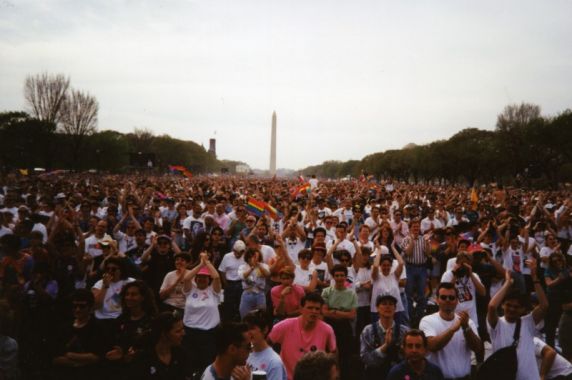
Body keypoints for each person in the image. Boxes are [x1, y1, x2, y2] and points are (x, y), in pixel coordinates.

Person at [486, 259, 548, 380]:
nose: (512, 309)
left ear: (523, 309)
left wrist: (534, 277)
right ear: (503, 305)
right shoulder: (497, 324)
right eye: (508, 305)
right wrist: (508, 283)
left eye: (516, 307)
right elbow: (492, 306)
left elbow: (544, 305)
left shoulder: (528, 322)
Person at [419, 282, 483, 380]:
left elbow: (478, 348)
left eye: (451, 297)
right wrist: (452, 330)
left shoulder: (468, 322)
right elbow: (432, 346)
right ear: (437, 300)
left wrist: (466, 328)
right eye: (443, 297)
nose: (447, 300)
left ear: (457, 301)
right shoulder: (427, 320)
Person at [268, 293, 337, 380]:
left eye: (317, 309)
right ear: (301, 309)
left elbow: (333, 352)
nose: (314, 311)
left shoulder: (327, 329)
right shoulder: (285, 325)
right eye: (310, 308)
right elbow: (267, 343)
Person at [182, 252, 222, 377]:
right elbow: (187, 278)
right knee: (190, 361)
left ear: (208, 279)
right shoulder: (190, 290)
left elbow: (216, 277)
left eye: (204, 277)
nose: (201, 279)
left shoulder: (213, 291)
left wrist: (207, 262)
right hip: (190, 332)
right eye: (199, 277)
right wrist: (200, 264)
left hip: (209, 334)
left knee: (207, 363)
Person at [52, 289, 104, 380]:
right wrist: (80, 362)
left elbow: (97, 357)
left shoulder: (97, 328)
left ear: (90, 307)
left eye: (82, 306)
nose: (77, 309)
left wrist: (70, 355)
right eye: (74, 306)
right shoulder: (64, 327)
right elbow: (56, 358)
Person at [127, 311, 190, 380]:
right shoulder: (143, 357)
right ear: (163, 334)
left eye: (183, 329)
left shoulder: (181, 353)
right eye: (178, 331)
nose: (183, 333)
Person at [360, 294, 409, 379]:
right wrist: (384, 347)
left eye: (391, 304)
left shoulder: (405, 331)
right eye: (384, 303)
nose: (387, 307)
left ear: (395, 308)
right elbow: (366, 359)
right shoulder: (368, 331)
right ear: (377, 308)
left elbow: (410, 359)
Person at [321, 264, 357, 380]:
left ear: (346, 277)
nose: (339, 278)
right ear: (333, 277)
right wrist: (342, 313)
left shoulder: (351, 293)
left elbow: (352, 315)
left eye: (342, 275)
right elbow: (324, 312)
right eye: (337, 275)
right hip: (329, 326)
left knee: (345, 357)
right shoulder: (326, 292)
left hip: (344, 328)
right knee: (329, 354)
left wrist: (334, 311)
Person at [402, 219, 431, 325]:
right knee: (408, 294)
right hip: (410, 268)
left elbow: (428, 254)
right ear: (410, 228)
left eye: (417, 227)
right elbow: (408, 253)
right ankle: (409, 317)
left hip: (422, 268)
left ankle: (419, 318)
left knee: (422, 294)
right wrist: (412, 241)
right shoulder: (405, 240)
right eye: (414, 227)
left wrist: (427, 243)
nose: (416, 229)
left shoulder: (424, 239)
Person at [243, 309, 287, 380]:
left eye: (252, 328)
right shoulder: (243, 355)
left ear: (265, 330)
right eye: (246, 329)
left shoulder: (274, 362)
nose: (248, 332)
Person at [218, 240, 247, 321]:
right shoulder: (227, 256)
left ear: (243, 251)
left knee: (240, 305)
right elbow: (222, 271)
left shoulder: (246, 257)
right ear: (233, 250)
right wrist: (225, 283)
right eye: (236, 252)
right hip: (229, 284)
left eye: (240, 252)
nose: (237, 254)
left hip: (241, 284)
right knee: (228, 305)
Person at [238, 248, 270, 318]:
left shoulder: (263, 266)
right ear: (248, 257)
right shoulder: (242, 267)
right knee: (244, 316)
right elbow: (242, 276)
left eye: (256, 256)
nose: (255, 258)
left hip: (260, 294)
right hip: (247, 294)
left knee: (262, 317)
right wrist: (252, 267)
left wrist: (258, 265)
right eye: (253, 256)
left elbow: (267, 274)